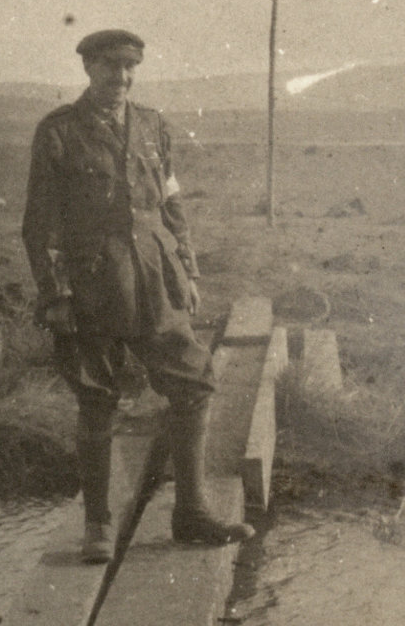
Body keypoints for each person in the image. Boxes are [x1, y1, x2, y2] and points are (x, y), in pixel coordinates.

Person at [22, 28, 255, 561]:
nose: (120, 79)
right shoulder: (58, 132)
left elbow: (171, 203)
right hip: (93, 282)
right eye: (109, 68)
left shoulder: (152, 126)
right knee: (98, 397)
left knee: (194, 383)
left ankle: (192, 512)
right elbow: (40, 224)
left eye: (129, 69)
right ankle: (98, 526)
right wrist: (55, 294)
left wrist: (189, 271)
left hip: (156, 276)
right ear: (88, 70)